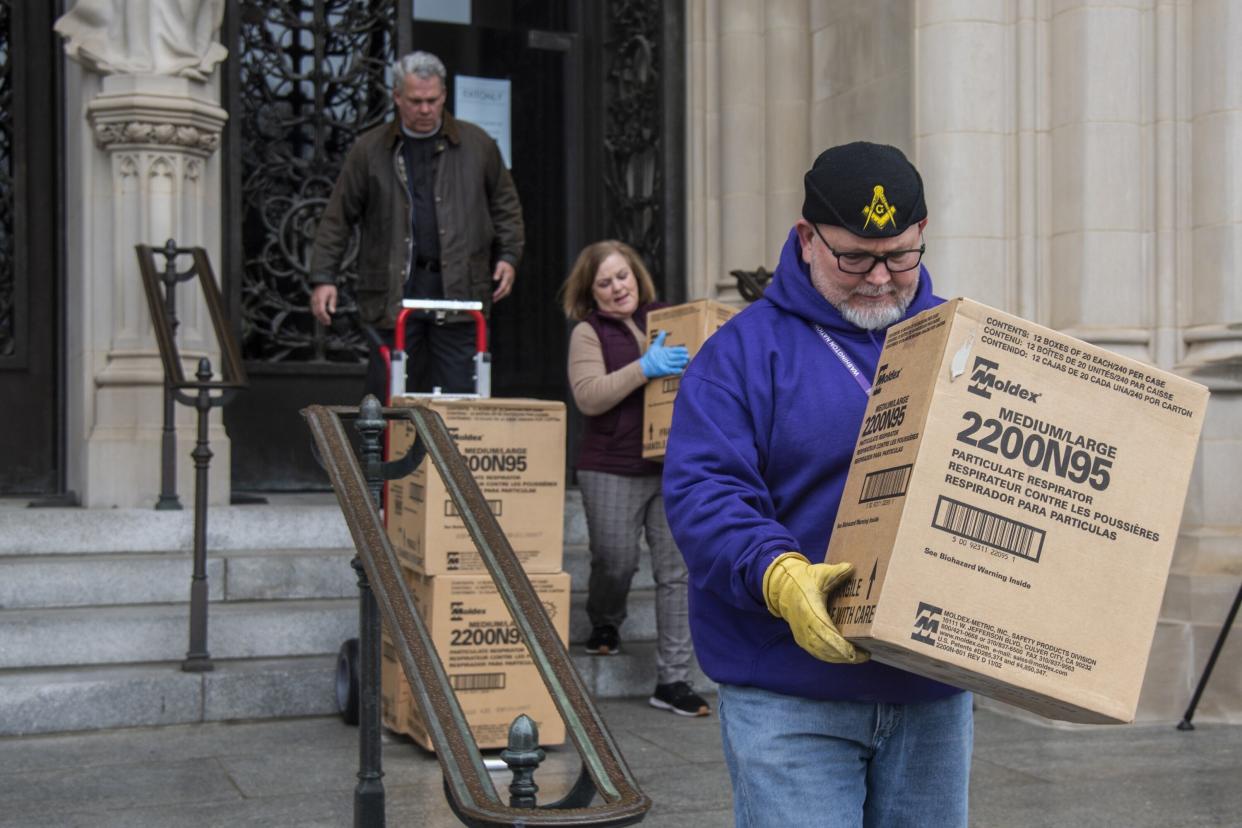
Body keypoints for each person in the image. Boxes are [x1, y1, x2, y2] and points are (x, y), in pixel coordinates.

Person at [662, 143, 972, 825]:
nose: (880, 279)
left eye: (899, 255)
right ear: (806, 239)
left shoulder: (962, 343)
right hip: (790, 691)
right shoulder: (742, 354)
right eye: (854, 257)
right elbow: (705, 491)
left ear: (922, 234)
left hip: (932, 690)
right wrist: (776, 572)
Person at [309, 50, 524, 397]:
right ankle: (389, 455)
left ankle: (447, 455)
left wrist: (509, 257)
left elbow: (506, 208)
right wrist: (323, 278)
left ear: (444, 96)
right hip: (394, 296)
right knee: (390, 396)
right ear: (397, 97)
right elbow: (338, 216)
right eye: (415, 101)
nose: (425, 109)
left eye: (432, 100)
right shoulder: (370, 149)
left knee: (460, 397)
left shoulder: (478, 144)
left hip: (460, 293)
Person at [561, 240, 710, 718]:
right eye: (604, 283)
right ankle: (605, 619)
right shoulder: (588, 333)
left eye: (622, 276)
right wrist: (643, 368)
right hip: (609, 464)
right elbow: (589, 396)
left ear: (636, 276)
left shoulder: (668, 317)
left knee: (676, 572)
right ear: (591, 292)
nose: (616, 288)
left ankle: (673, 680)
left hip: (670, 465)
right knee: (616, 560)